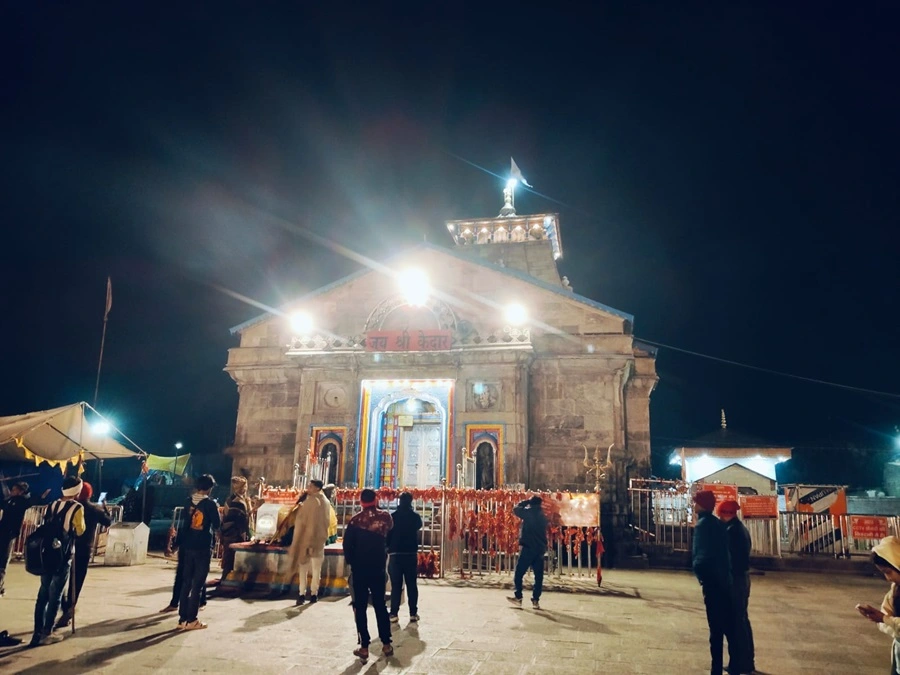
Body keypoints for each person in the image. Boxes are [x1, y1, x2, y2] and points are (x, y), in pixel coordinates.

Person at [31, 476, 85, 647]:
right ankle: (47, 632)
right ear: (77, 490)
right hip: (63, 555)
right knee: (56, 595)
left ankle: (37, 631)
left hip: (46, 553)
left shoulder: (52, 504)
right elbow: (80, 530)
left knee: (43, 593)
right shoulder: (77, 507)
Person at [343, 488, 394, 660]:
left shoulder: (355, 521)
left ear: (361, 501)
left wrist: (353, 562)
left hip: (360, 570)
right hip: (378, 568)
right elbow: (391, 539)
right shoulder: (386, 518)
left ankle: (364, 646)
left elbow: (347, 546)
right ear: (376, 499)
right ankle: (386, 644)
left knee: (360, 606)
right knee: (380, 605)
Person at [692, 490, 737, 675]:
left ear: (702, 505)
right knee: (728, 626)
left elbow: (701, 556)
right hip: (724, 580)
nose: (694, 506)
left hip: (712, 582)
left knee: (716, 630)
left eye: (696, 503)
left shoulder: (703, 525)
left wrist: (700, 573)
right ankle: (735, 664)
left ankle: (716, 668)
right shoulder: (719, 525)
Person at [56, 481, 112, 628]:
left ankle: (64, 605)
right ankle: (69, 607)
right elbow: (108, 521)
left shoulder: (67, 506)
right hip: (83, 548)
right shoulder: (94, 509)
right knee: (77, 580)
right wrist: (105, 508)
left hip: (65, 546)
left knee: (60, 578)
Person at [176, 474, 220, 630]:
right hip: (202, 546)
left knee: (186, 582)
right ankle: (192, 619)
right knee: (198, 584)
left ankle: (182, 619)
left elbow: (183, 524)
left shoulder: (188, 502)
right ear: (209, 488)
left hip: (188, 545)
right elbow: (216, 524)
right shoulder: (210, 504)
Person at [717, 499, 755, 675]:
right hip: (742, 579)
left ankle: (739, 664)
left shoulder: (732, 532)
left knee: (735, 624)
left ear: (725, 513)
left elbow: (729, 560)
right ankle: (746, 662)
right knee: (741, 621)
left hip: (736, 581)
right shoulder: (740, 530)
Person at [858, 536, 900, 674]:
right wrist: (879, 617)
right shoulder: (896, 589)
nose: (888, 578)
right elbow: (887, 612)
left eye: (888, 572)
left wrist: (884, 619)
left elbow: (886, 618)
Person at [0, 482, 50, 597]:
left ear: (21, 491)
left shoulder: (22, 501)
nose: (12, 491)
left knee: (3, 558)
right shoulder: (9, 500)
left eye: (15, 490)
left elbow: (34, 501)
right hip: (2, 530)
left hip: (10, 533)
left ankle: (0, 585)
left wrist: (43, 497)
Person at [288, 479, 331, 605]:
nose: (308, 488)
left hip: (308, 539)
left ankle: (302, 593)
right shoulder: (325, 501)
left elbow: (302, 522)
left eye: (311, 486)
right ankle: (313, 593)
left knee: (304, 568)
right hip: (317, 540)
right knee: (315, 568)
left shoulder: (312, 502)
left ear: (317, 488)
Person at [508, 495, 548, 610]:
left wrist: (525, 502)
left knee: (519, 573)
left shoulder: (528, 513)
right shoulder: (543, 516)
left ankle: (518, 596)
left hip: (528, 548)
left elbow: (515, 509)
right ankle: (536, 600)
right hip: (539, 549)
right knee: (538, 576)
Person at [387, 492, 422, 623]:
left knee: (396, 585)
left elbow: (388, 534)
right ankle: (413, 613)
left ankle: (393, 613)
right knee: (412, 584)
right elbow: (418, 526)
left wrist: (388, 547)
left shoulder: (393, 516)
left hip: (395, 554)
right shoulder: (415, 517)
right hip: (410, 554)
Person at [219, 476, 252, 583]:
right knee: (231, 558)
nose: (246, 488)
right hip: (234, 533)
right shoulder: (237, 501)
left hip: (228, 532)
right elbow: (241, 518)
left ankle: (226, 578)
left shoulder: (232, 498)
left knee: (229, 557)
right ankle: (226, 580)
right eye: (245, 486)